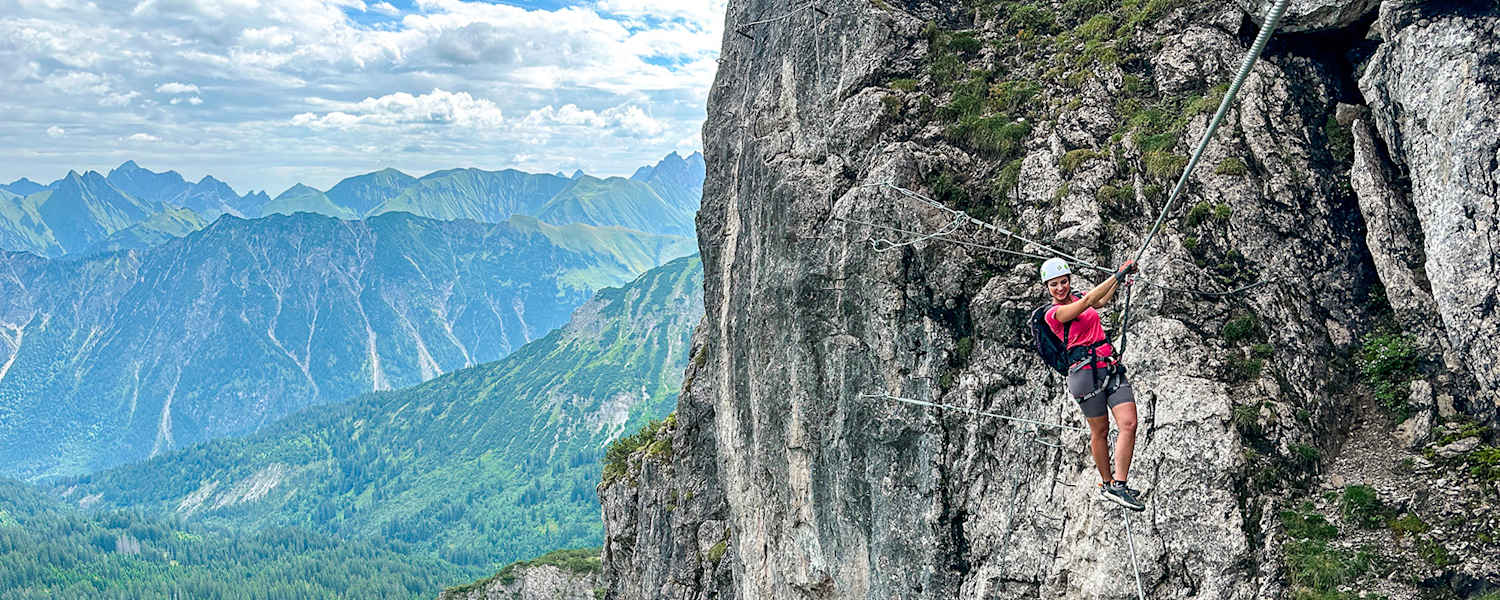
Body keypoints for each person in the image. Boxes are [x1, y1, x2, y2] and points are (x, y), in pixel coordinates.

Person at [1039, 257, 1144, 511]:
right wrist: (1117, 275)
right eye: (1054, 285)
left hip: (1108, 364)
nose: (1061, 288)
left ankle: (1119, 484)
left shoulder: (1076, 297)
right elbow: (1088, 302)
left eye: (1064, 282)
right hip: (1084, 374)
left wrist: (1121, 280)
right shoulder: (1053, 314)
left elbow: (1100, 300)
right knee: (1100, 430)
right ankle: (1107, 483)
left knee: (1129, 423)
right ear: (1047, 287)